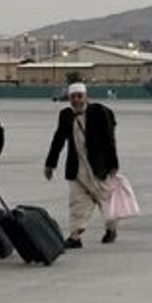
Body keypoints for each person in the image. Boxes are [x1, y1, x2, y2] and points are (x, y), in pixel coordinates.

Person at [44, 82, 121, 246]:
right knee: (76, 201)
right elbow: (58, 139)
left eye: (80, 96)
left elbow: (109, 139)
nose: (76, 100)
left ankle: (111, 228)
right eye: (73, 97)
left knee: (105, 198)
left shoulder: (98, 112)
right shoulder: (65, 115)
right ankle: (75, 236)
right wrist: (50, 164)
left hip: (98, 165)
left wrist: (113, 164)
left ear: (86, 97)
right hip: (77, 166)